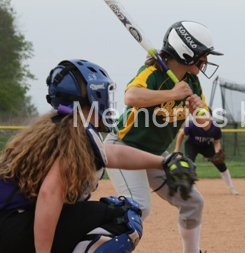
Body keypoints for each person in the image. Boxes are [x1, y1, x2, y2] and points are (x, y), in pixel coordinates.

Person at [0, 59, 190, 253]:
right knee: (123, 217)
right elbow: (50, 193)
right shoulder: (75, 134)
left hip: (10, 224)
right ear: (93, 96)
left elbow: (113, 155)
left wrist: (165, 162)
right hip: (13, 228)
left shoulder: (60, 125)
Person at [105, 20, 223, 253]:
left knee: (192, 202)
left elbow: (206, 124)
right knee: (137, 207)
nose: (206, 61)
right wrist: (171, 93)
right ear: (186, 53)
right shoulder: (153, 74)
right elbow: (131, 96)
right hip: (124, 148)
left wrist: (199, 109)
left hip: (156, 155)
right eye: (202, 55)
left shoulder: (191, 81)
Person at [174, 110, 239, 195]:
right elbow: (181, 134)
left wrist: (217, 153)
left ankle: (231, 188)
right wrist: (177, 149)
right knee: (189, 165)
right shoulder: (193, 125)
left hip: (207, 146)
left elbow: (216, 142)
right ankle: (186, 188)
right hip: (192, 145)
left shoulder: (215, 127)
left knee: (221, 165)